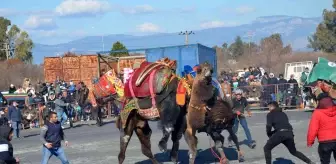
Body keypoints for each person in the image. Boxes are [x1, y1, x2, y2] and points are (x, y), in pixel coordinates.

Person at [307, 97, 336, 164]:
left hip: (324, 143)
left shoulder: (317, 113)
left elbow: (313, 128)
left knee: (325, 162)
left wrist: (310, 141)